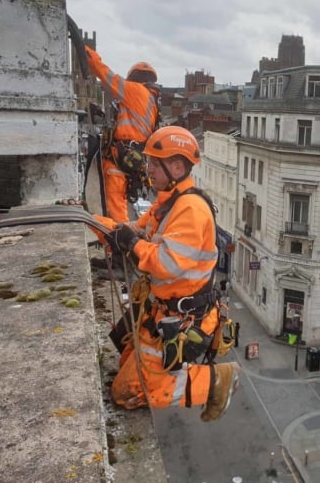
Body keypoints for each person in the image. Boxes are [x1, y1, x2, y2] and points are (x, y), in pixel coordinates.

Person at [97, 126, 240, 421]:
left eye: (153, 163)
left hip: (183, 319)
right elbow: (133, 231)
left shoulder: (190, 209)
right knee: (125, 357)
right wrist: (89, 221)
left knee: (126, 391)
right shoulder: (168, 203)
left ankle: (214, 381)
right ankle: (204, 380)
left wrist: (133, 244)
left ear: (176, 166)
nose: (148, 169)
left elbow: (166, 263)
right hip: (162, 312)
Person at [85, 45, 160, 223]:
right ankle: (121, 240)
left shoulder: (135, 91)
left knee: (114, 207)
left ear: (134, 79)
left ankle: (119, 244)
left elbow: (105, 74)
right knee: (117, 205)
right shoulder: (152, 100)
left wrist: (86, 51)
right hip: (131, 157)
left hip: (120, 158)